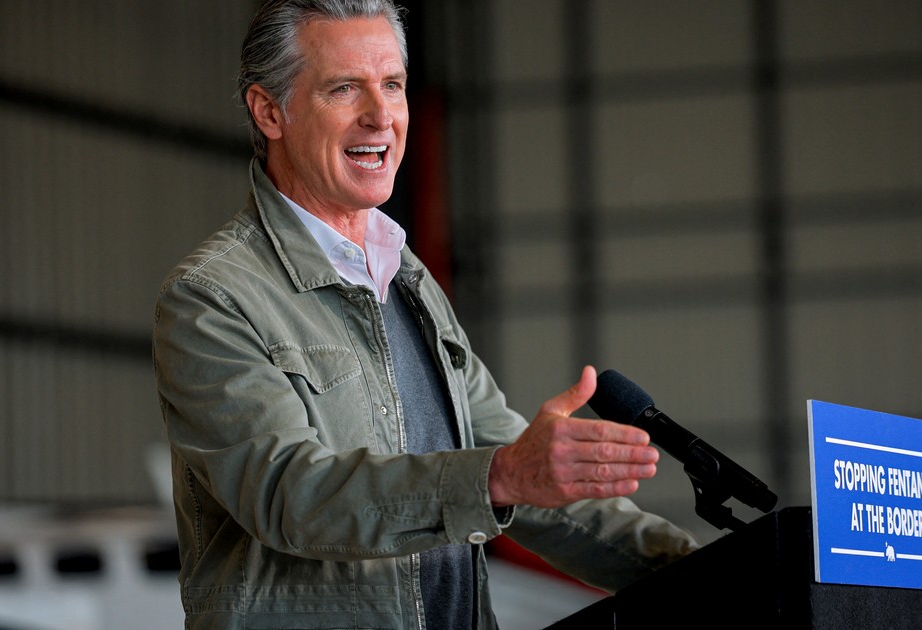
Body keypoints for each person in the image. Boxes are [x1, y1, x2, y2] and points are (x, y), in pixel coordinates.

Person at [151, 0, 700, 627]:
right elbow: (291, 496)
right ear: (269, 111)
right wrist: (498, 475)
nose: (380, 115)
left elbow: (516, 471)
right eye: (344, 89)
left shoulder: (406, 279)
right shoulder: (213, 296)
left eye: (393, 85)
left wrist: (707, 572)